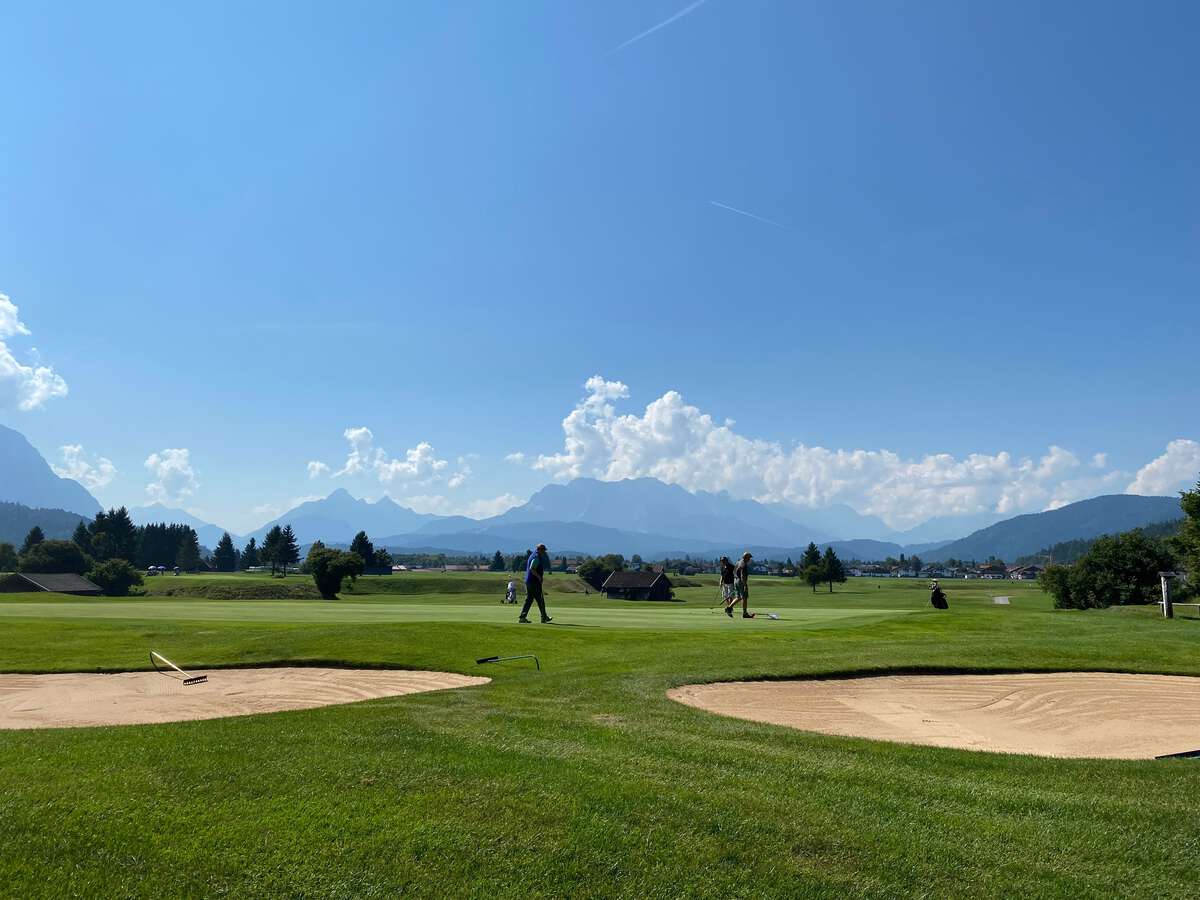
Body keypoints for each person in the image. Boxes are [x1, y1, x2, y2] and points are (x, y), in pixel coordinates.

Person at [519, 543, 553, 623]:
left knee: (529, 600)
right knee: (540, 599)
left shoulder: (533, 555)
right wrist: (539, 577)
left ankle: (522, 617)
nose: (544, 552)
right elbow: (532, 569)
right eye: (543, 550)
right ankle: (544, 618)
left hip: (529, 581)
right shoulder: (536, 557)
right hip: (534, 582)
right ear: (539, 550)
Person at [733, 552, 756, 618]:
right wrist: (744, 584)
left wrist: (736, 578)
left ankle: (729, 607)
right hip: (741, 581)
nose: (750, 559)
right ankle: (745, 613)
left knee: (738, 597)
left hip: (736, 580)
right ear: (746, 557)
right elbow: (742, 573)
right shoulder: (743, 563)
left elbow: (734, 571)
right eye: (749, 557)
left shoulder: (738, 561)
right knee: (744, 597)